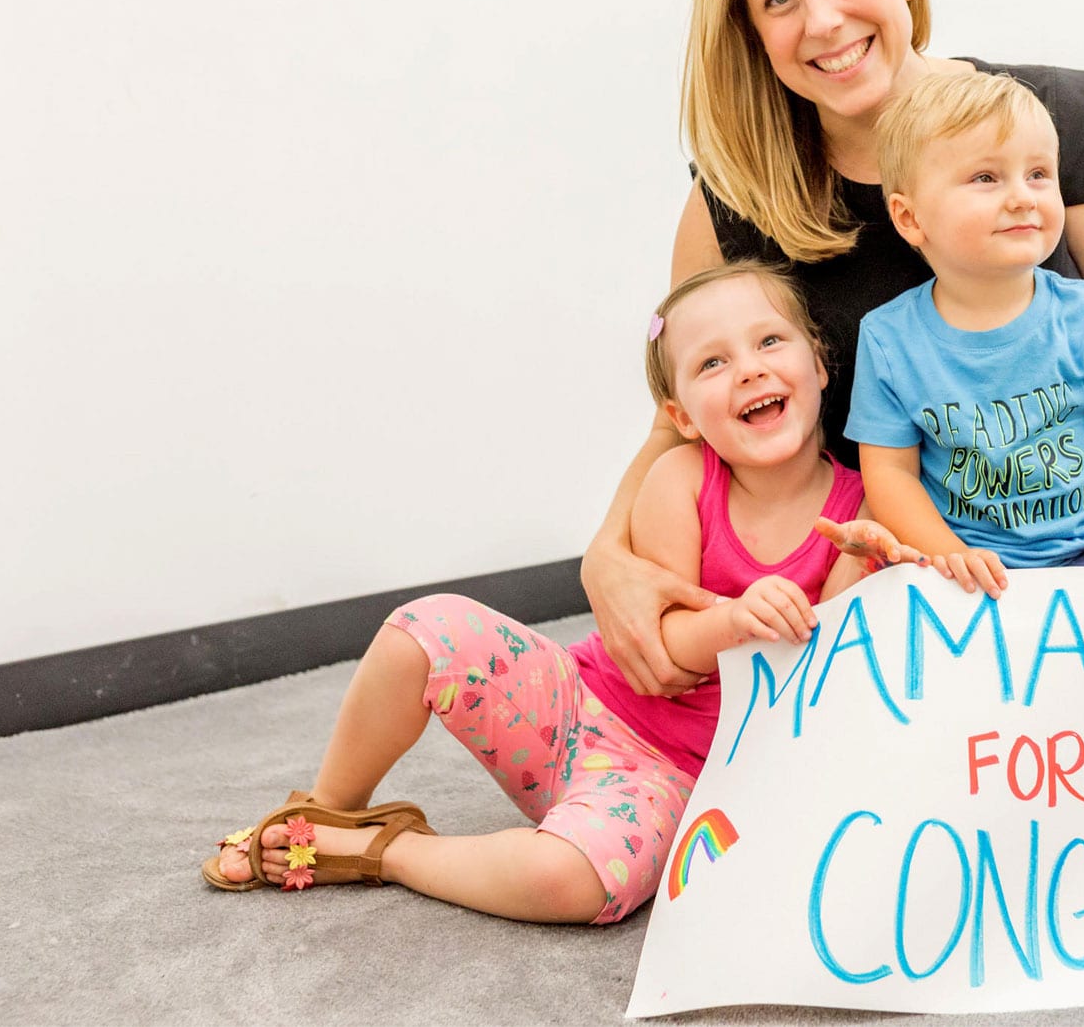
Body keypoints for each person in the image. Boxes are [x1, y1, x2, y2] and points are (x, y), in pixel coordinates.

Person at [582, 0, 1084, 695]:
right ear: (754, 32)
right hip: (865, 601)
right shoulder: (732, 197)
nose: (825, 22)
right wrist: (603, 559)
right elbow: (681, 421)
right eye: (780, 0)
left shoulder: (1054, 122)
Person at [202, 263, 919, 923]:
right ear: (681, 416)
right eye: (712, 362)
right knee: (422, 629)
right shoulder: (679, 481)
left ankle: (380, 851)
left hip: (678, 776)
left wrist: (850, 580)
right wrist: (735, 618)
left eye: (769, 342)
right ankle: (328, 809)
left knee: (566, 882)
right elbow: (661, 648)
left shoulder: (860, 513)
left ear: (821, 365)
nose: (749, 370)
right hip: (581, 705)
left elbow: (819, 691)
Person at [847, 71, 1084, 613]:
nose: (1022, 197)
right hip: (968, 580)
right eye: (986, 178)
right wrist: (948, 555)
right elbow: (889, 475)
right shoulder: (888, 339)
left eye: (1038, 173)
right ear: (910, 217)